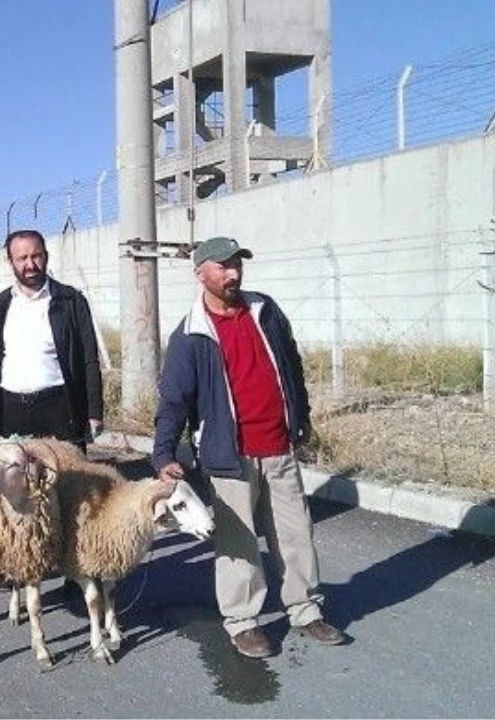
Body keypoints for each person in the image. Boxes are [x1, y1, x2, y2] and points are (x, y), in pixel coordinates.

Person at [151, 235, 345, 659]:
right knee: (238, 546)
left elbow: (290, 365)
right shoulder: (190, 335)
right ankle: (243, 622)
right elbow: (174, 400)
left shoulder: (265, 311)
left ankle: (305, 608)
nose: (233, 273)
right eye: (222, 266)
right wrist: (164, 454)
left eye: (237, 264)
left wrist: (302, 415)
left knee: (295, 534)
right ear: (200, 273)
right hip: (228, 455)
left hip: (278, 446)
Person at [0, 230, 103, 451]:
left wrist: (94, 412)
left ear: (46, 256)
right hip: (10, 410)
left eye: (36, 256)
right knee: (14, 483)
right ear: (10, 261)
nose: (30, 264)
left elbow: (89, 359)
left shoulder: (70, 301)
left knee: (67, 481)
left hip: (58, 406)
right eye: (22, 258)